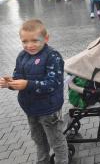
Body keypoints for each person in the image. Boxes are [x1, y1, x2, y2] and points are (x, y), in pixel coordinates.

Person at [0, 19, 68, 163]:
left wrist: (27, 84)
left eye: (34, 41)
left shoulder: (52, 56)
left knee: (56, 141)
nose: (29, 45)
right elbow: (19, 77)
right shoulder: (22, 56)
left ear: (46, 38)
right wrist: (10, 83)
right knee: (38, 140)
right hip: (31, 108)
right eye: (25, 41)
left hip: (49, 109)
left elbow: (52, 83)